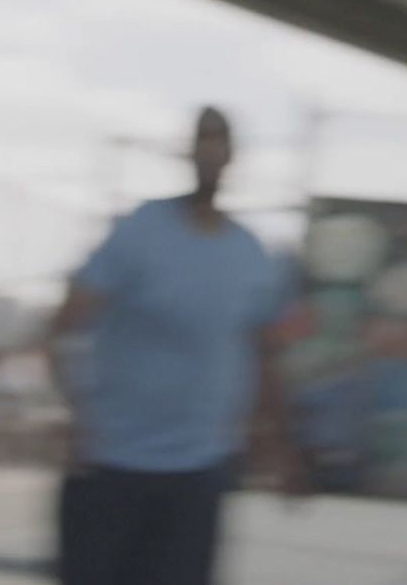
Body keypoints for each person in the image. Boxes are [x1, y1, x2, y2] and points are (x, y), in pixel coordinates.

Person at [43, 106, 307, 585]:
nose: (210, 150)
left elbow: (263, 356)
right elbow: (63, 327)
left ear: (232, 156)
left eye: (219, 139)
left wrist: (282, 448)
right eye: (202, 138)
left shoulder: (249, 254)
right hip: (111, 466)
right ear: (188, 152)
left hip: (197, 474)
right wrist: (74, 415)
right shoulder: (139, 231)